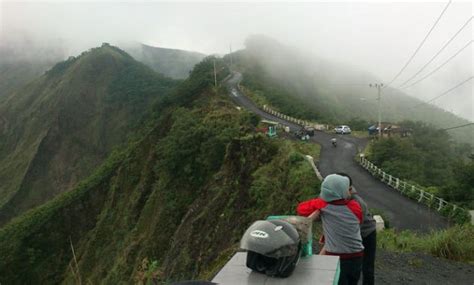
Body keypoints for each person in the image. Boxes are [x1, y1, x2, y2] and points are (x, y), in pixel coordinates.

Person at [297, 174, 364, 285]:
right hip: (357, 255)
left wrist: (319, 205)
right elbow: (359, 221)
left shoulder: (323, 205)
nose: (350, 191)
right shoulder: (355, 206)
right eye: (347, 189)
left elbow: (301, 209)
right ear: (341, 191)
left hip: (335, 256)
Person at [337, 173, 377, 285]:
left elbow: (356, 227)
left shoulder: (358, 203)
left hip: (367, 233)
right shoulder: (339, 196)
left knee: (367, 266)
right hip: (354, 233)